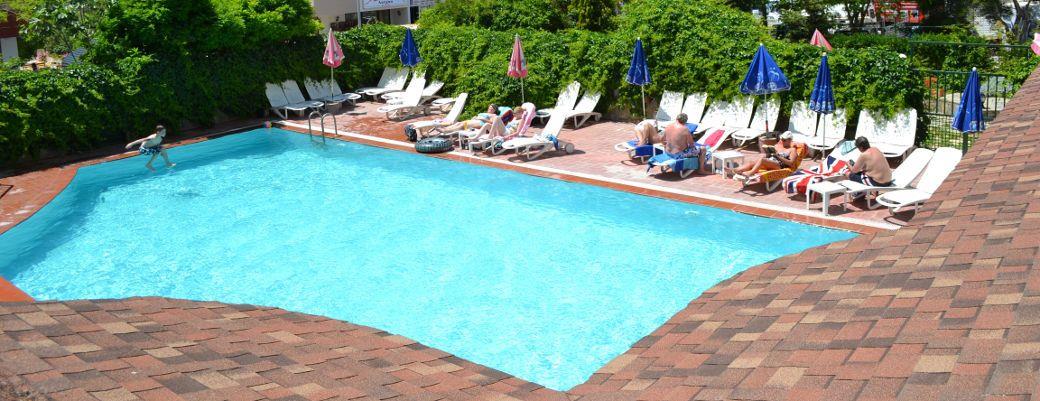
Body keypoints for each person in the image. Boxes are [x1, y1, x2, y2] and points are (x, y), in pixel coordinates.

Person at [731, 131, 803, 180]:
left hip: (779, 165)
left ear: (790, 140)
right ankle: (736, 170)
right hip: (771, 161)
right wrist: (768, 152)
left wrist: (778, 156)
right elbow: (770, 155)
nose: (782, 141)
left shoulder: (792, 150)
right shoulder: (779, 146)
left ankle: (750, 173)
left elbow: (791, 163)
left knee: (763, 160)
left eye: (784, 140)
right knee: (752, 162)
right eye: (781, 139)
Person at [431, 104, 501, 134]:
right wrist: (474, 117)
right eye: (489, 107)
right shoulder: (484, 113)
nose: (489, 109)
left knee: (462, 126)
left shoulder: (493, 115)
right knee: (458, 123)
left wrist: (482, 119)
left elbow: (492, 123)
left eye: (491, 108)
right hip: (475, 120)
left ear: (494, 110)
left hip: (481, 123)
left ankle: (445, 131)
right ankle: (445, 129)